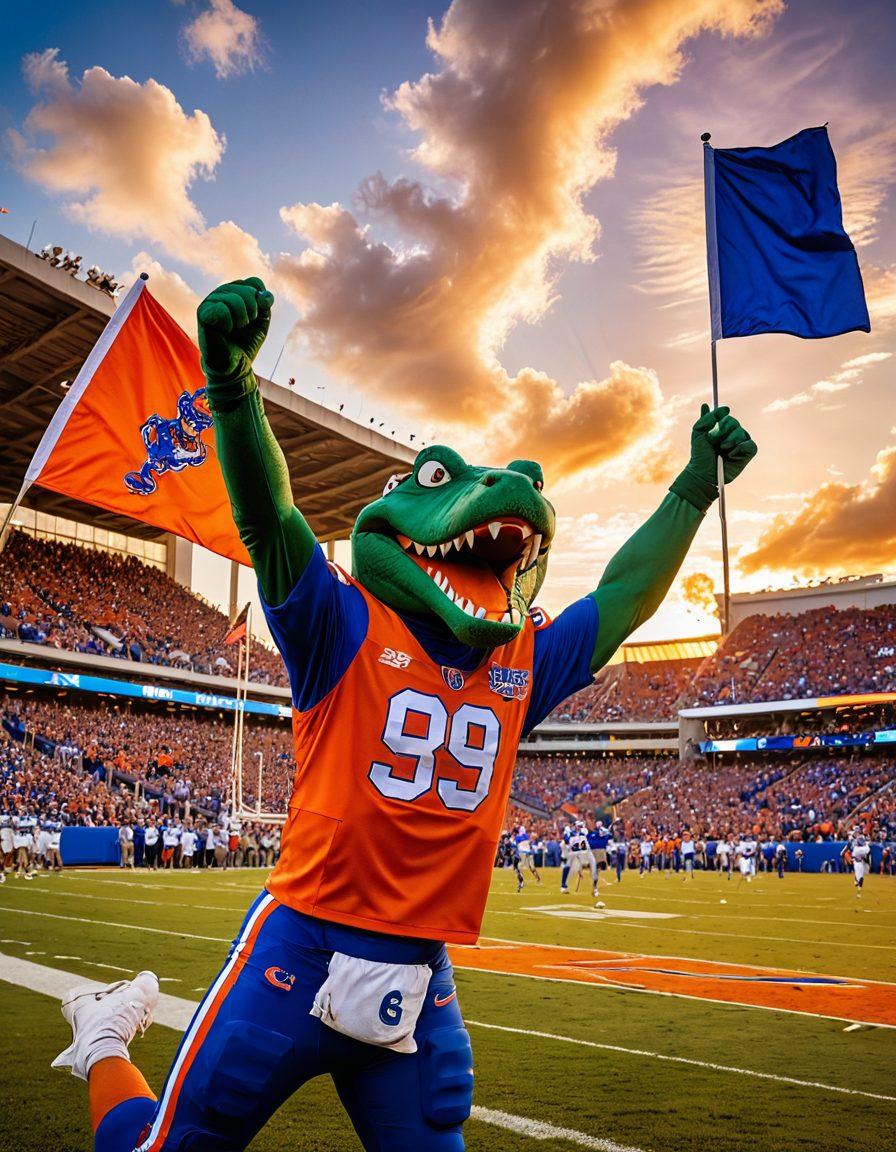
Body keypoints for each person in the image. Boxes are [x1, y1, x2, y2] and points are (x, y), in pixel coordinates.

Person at [52, 277, 756, 1152]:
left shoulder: (522, 656)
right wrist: (231, 387)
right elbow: (269, 518)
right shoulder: (340, 622)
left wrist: (690, 491)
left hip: (418, 974)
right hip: (298, 949)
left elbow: (624, 596)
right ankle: (104, 1039)